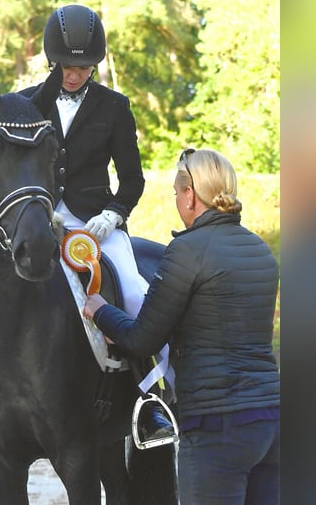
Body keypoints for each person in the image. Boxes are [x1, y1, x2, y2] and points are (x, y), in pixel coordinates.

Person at [0, 4, 173, 453]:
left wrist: (114, 214)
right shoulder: (26, 103)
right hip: (35, 219)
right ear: (53, 60)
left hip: (94, 225)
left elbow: (133, 179)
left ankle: (149, 401)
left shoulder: (114, 107)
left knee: (138, 292)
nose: (76, 75)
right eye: (69, 67)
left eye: (85, 68)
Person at [83, 148, 281, 504]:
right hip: (270, 422)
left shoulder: (187, 251)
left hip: (216, 425)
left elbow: (141, 338)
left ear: (190, 195)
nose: (176, 199)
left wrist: (100, 310)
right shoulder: (260, 251)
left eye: (176, 191)